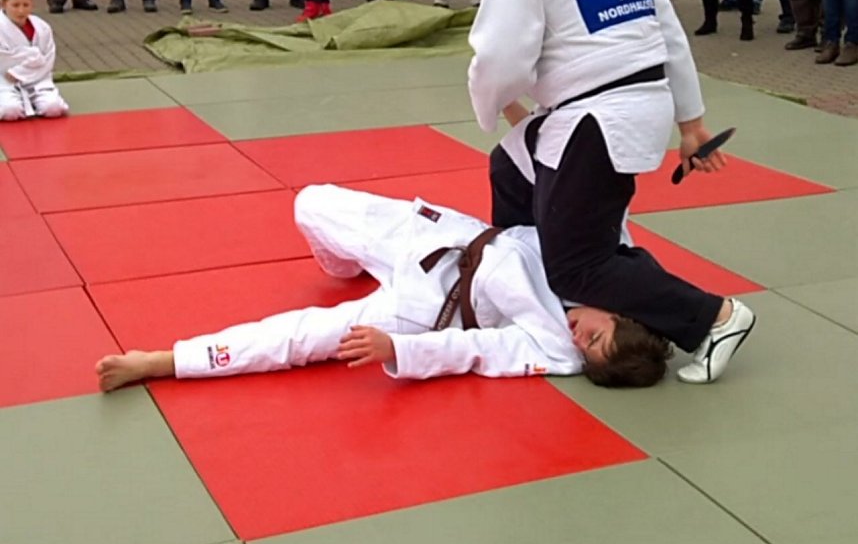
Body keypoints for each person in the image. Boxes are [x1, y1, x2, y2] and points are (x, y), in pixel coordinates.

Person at [468, 0, 755, 384]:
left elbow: (498, 60)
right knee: (511, 168)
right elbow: (668, 35)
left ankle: (714, 317)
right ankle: (530, 285)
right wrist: (690, 123)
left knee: (580, 262)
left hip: (594, 121)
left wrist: (489, 105)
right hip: (628, 109)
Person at [96, 184, 672, 393]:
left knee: (305, 337)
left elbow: (475, 350)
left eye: (588, 352)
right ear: (622, 315)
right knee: (308, 202)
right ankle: (349, 265)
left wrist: (397, 350)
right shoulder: (604, 266)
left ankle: (166, 362)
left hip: (427, 311)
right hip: (436, 236)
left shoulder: (554, 351)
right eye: (597, 334)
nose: (580, 338)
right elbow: (601, 193)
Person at [0, 0, 68, 121]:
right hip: (5, 82)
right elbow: (4, 60)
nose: (21, 10)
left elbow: (47, 60)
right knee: (10, 111)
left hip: (38, 81)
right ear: (3, 4)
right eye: (15, 5)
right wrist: (34, 57)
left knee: (54, 108)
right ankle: (19, 102)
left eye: (26, 5)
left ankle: (32, 101)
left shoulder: (42, 28)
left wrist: (20, 69)